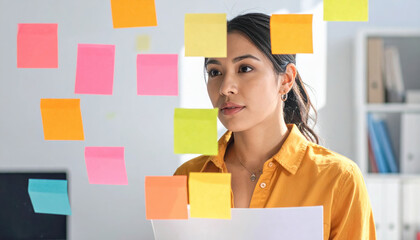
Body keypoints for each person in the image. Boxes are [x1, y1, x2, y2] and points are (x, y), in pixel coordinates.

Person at [174, 13, 376, 239]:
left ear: (286, 80)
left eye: (245, 68)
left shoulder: (338, 179)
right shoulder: (187, 177)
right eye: (215, 72)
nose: (225, 88)